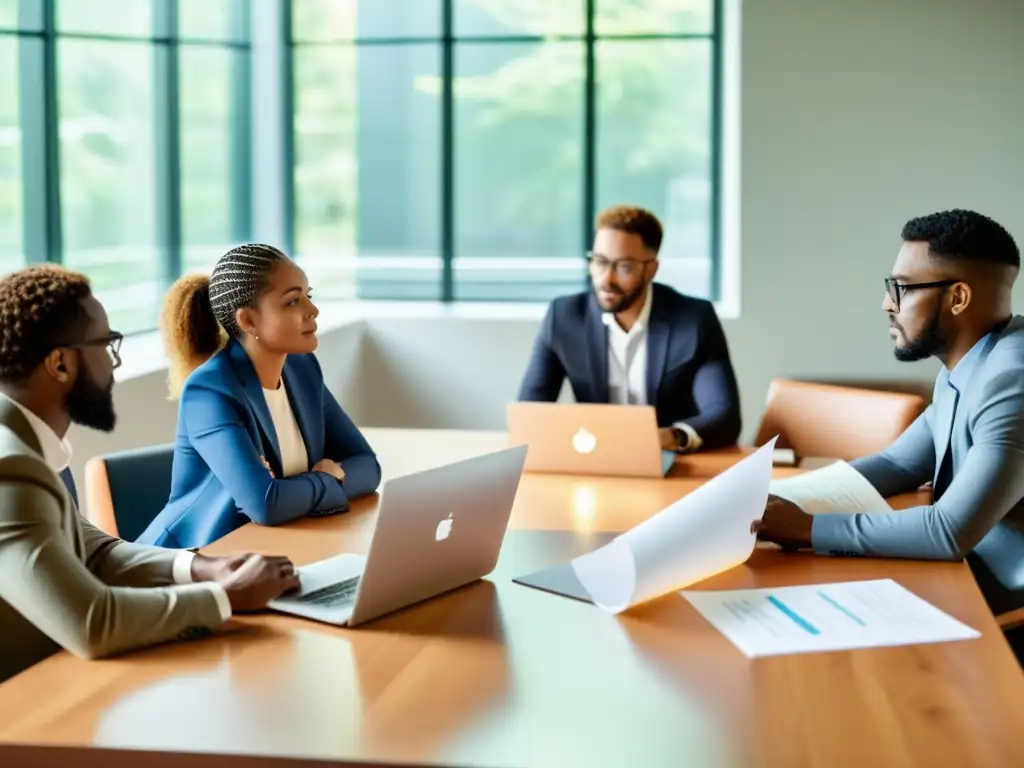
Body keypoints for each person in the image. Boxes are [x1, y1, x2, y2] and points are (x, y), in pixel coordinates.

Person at [0, 264, 300, 683]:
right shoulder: (10, 468)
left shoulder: (27, 448)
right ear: (61, 365)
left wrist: (200, 569)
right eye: (105, 344)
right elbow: (92, 623)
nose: (113, 362)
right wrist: (224, 597)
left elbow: (93, 552)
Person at [755, 209, 1024, 653]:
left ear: (958, 298)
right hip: (965, 582)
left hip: (1003, 614)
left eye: (902, 287)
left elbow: (947, 531)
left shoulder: (1010, 380)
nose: (887, 303)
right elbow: (897, 462)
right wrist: (779, 501)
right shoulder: (974, 362)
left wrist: (807, 529)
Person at [137, 244, 381, 549]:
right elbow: (266, 504)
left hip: (272, 549)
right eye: (293, 301)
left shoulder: (302, 369)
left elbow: (369, 468)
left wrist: (299, 489)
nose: (312, 310)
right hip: (195, 561)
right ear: (248, 321)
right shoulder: (210, 390)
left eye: (309, 295)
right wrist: (333, 478)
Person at [517, 204, 742, 453]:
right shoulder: (564, 317)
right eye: (600, 262)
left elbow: (725, 415)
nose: (606, 279)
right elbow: (530, 412)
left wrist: (670, 437)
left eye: (624, 267)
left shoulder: (693, 320)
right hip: (595, 462)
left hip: (670, 463)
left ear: (651, 269)